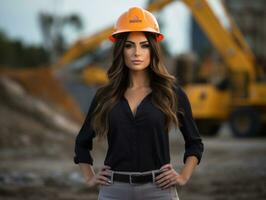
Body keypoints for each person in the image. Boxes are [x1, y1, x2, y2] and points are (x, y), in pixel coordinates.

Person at [74, 6, 204, 200]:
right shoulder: (105, 95)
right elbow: (82, 143)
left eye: (144, 45)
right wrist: (90, 178)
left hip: (159, 191)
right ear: (120, 49)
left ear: (153, 49)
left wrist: (183, 176)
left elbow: (194, 143)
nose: (137, 52)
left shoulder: (171, 93)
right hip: (114, 191)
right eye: (129, 45)